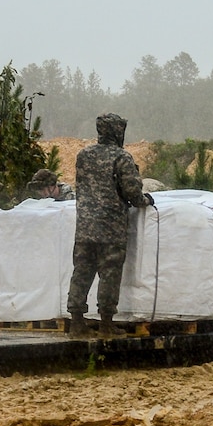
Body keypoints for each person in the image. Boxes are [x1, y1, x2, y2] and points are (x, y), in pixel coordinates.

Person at [67, 113, 153, 335]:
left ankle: (77, 322)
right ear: (117, 131)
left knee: (82, 272)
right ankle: (106, 323)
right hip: (111, 228)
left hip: (85, 227)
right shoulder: (121, 157)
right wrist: (145, 200)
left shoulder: (83, 155)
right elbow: (132, 192)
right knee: (109, 274)